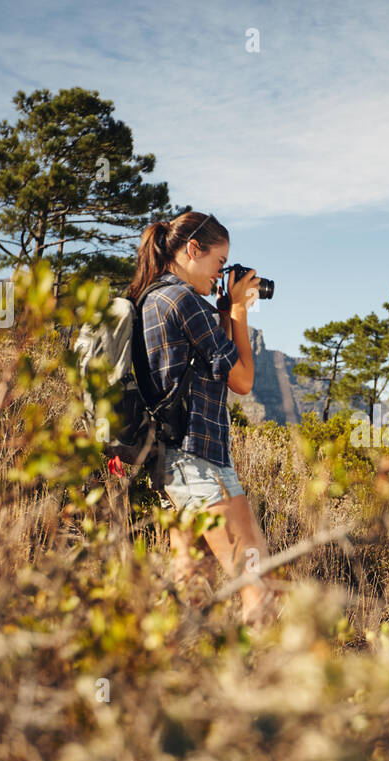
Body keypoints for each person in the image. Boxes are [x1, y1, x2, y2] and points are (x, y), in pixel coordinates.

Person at [127, 210, 275, 624]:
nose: (220, 275)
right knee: (256, 586)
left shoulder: (157, 297)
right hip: (200, 459)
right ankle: (269, 681)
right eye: (218, 264)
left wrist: (227, 308)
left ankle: (181, 675)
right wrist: (241, 313)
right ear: (193, 249)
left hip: (177, 463)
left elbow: (212, 367)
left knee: (191, 588)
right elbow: (241, 381)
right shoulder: (185, 302)